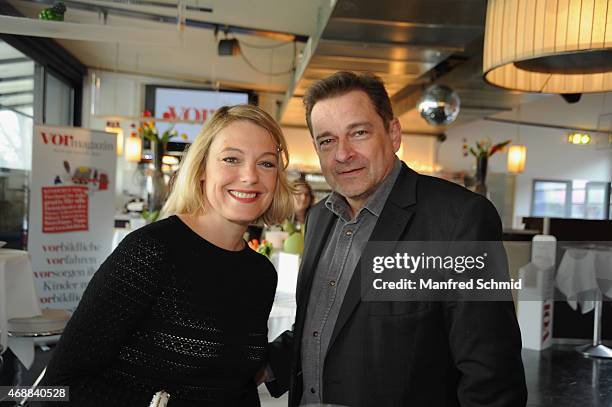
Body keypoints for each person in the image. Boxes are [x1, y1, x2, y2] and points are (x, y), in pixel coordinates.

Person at [264, 72, 527, 406]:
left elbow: (492, 375)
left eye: (358, 133)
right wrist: (259, 365)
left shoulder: (459, 220)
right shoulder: (319, 218)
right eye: (327, 140)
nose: (342, 154)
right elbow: (322, 326)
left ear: (393, 133)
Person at [42, 104, 294, 406]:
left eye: (266, 164)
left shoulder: (260, 274)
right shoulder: (151, 252)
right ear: (201, 170)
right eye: (231, 159)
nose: (250, 176)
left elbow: (236, 384)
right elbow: (60, 385)